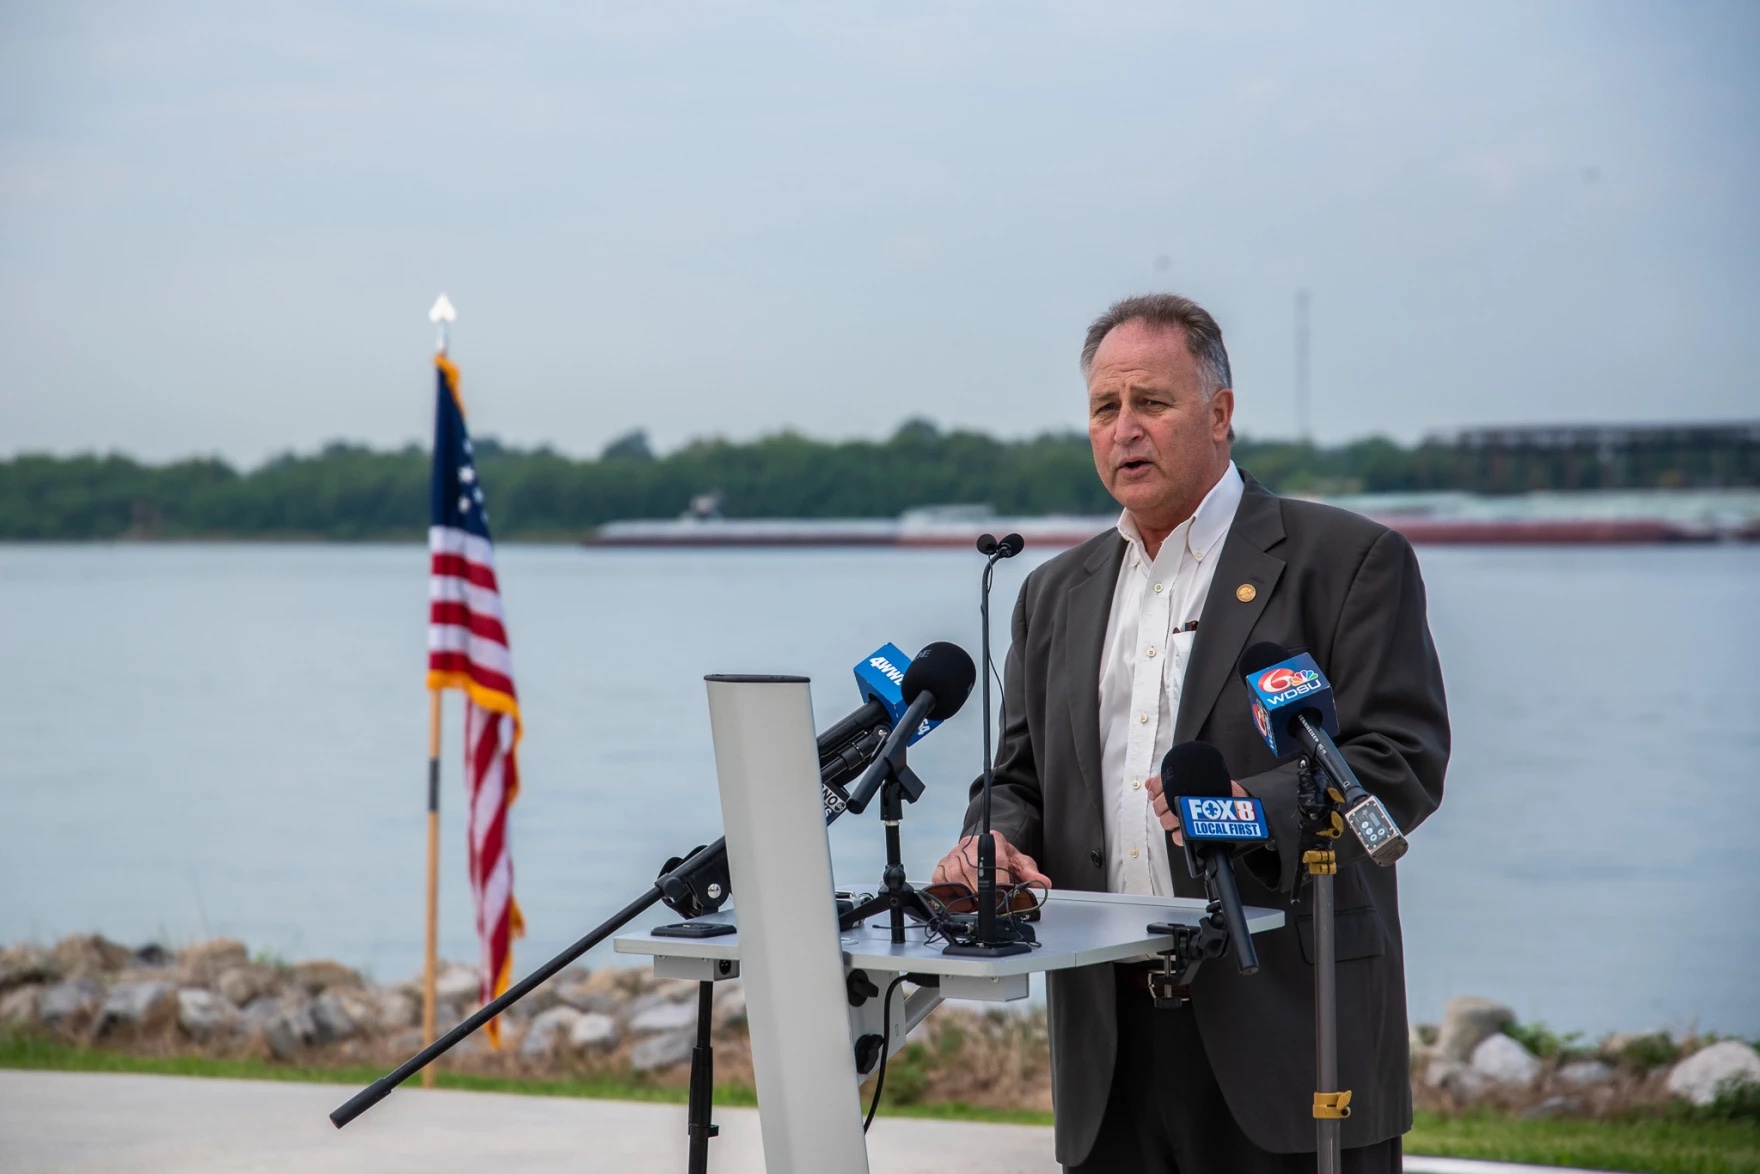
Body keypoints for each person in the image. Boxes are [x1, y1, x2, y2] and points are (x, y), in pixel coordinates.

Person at [931, 293, 1449, 1173]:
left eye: (1151, 403)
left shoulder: (1347, 561)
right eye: (1105, 408)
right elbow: (1018, 775)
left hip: (1291, 1026)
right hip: (1109, 1036)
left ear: (1220, 414)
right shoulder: (1054, 593)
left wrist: (1250, 806)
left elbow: (1399, 761)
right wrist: (992, 840)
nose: (1124, 429)